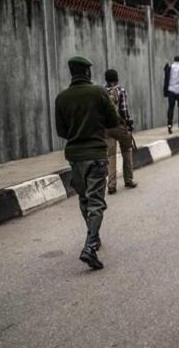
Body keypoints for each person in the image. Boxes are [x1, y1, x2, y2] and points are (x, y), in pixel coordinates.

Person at [55, 56, 119, 270]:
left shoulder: (62, 98)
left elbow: (61, 131)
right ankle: (90, 245)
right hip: (96, 154)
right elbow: (113, 121)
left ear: (72, 72)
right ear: (87, 72)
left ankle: (94, 237)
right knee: (96, 202)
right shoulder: (99, 93)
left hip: (75, 157)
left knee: (84, 199)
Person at [104, 69, 138, 194]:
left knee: (110, 155)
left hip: (106, 128)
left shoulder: (101, 92)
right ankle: (128, 179)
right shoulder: (121, 90)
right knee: (126, 150)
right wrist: (128, 123)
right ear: (117, 79)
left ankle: (111, 185)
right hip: (119, 126)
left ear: (106, 80)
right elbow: (124, 110)